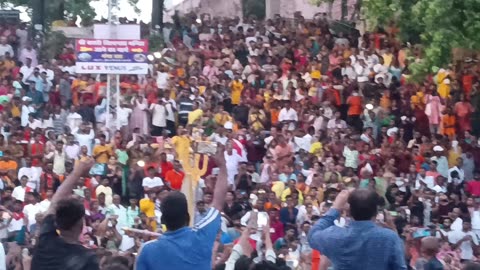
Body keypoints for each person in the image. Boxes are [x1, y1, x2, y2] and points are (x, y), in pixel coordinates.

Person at [136, 147, 228, 270]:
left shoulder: (147, 250)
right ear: (188, 217)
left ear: (162, 220)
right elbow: (218, 203)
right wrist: (222, 167)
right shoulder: (202, 235)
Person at [308, 188, 407, 270]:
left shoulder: (336, 236)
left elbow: (312, 236)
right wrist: (394, 230)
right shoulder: (389, 237)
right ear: (376, 212)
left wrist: (335, 208)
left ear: (348, 211)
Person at [31, 158, 98, 270]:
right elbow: (54, 204)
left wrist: (77, 171)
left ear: (56, 222)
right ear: (80, 225)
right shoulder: (87, 258)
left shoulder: (45, 241)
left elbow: (54, 203)